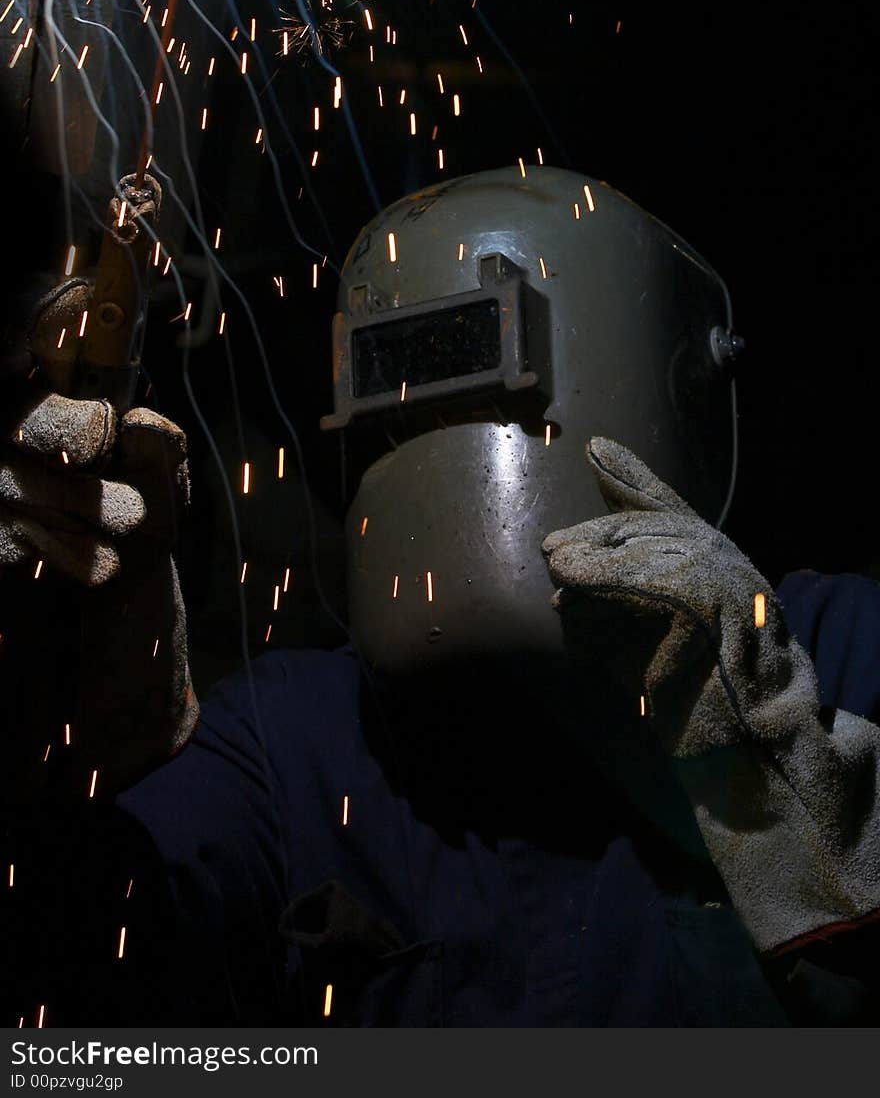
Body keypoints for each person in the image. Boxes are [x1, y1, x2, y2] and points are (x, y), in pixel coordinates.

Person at [2, 166, 879, 1027]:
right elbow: (79, 984)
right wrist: (46, 761)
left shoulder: (838, 653)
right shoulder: (296, 746)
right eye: (409, 370)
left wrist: (802, 805)